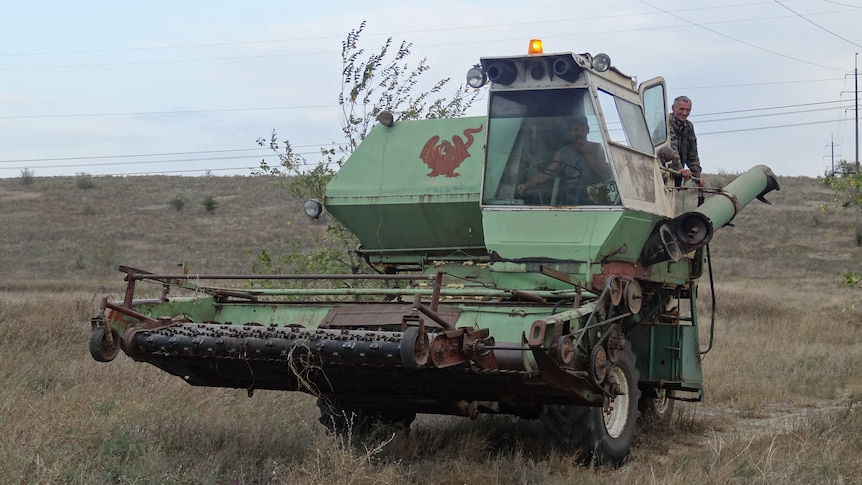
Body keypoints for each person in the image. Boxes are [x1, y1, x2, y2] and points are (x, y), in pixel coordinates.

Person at [517, 116, 609, 204]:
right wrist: (527, 185)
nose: (579, 134)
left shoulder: (597, 148)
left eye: (583, 129)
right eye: (576, 130)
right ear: (570, 133)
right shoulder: (563, 152)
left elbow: (603, 174)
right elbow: (546, 174)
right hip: (571, 198)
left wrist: (586, 153)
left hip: (595, 198)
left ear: (588, 131)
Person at [667, 96, 705, 187]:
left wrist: (697, 177)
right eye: (682, 109)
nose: (685, 113)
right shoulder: (666, 122)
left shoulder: (689, 126)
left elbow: (693, 154)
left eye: (688, 110)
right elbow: (672, 147)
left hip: (676, 174)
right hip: (663, 171)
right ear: (673, 108)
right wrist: (679, 169)